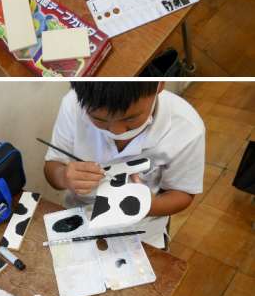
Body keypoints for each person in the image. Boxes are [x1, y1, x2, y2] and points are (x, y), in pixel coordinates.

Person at [44, 82, 205, 248]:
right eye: (99, 119)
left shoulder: (186, 128)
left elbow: (182, 194)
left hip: (141, 230)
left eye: (131, 118)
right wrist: (63, 177)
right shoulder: (73, 104)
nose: (117, 131)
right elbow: (52, 166)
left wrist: (146, 205)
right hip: (79, 220)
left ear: (159, 85)